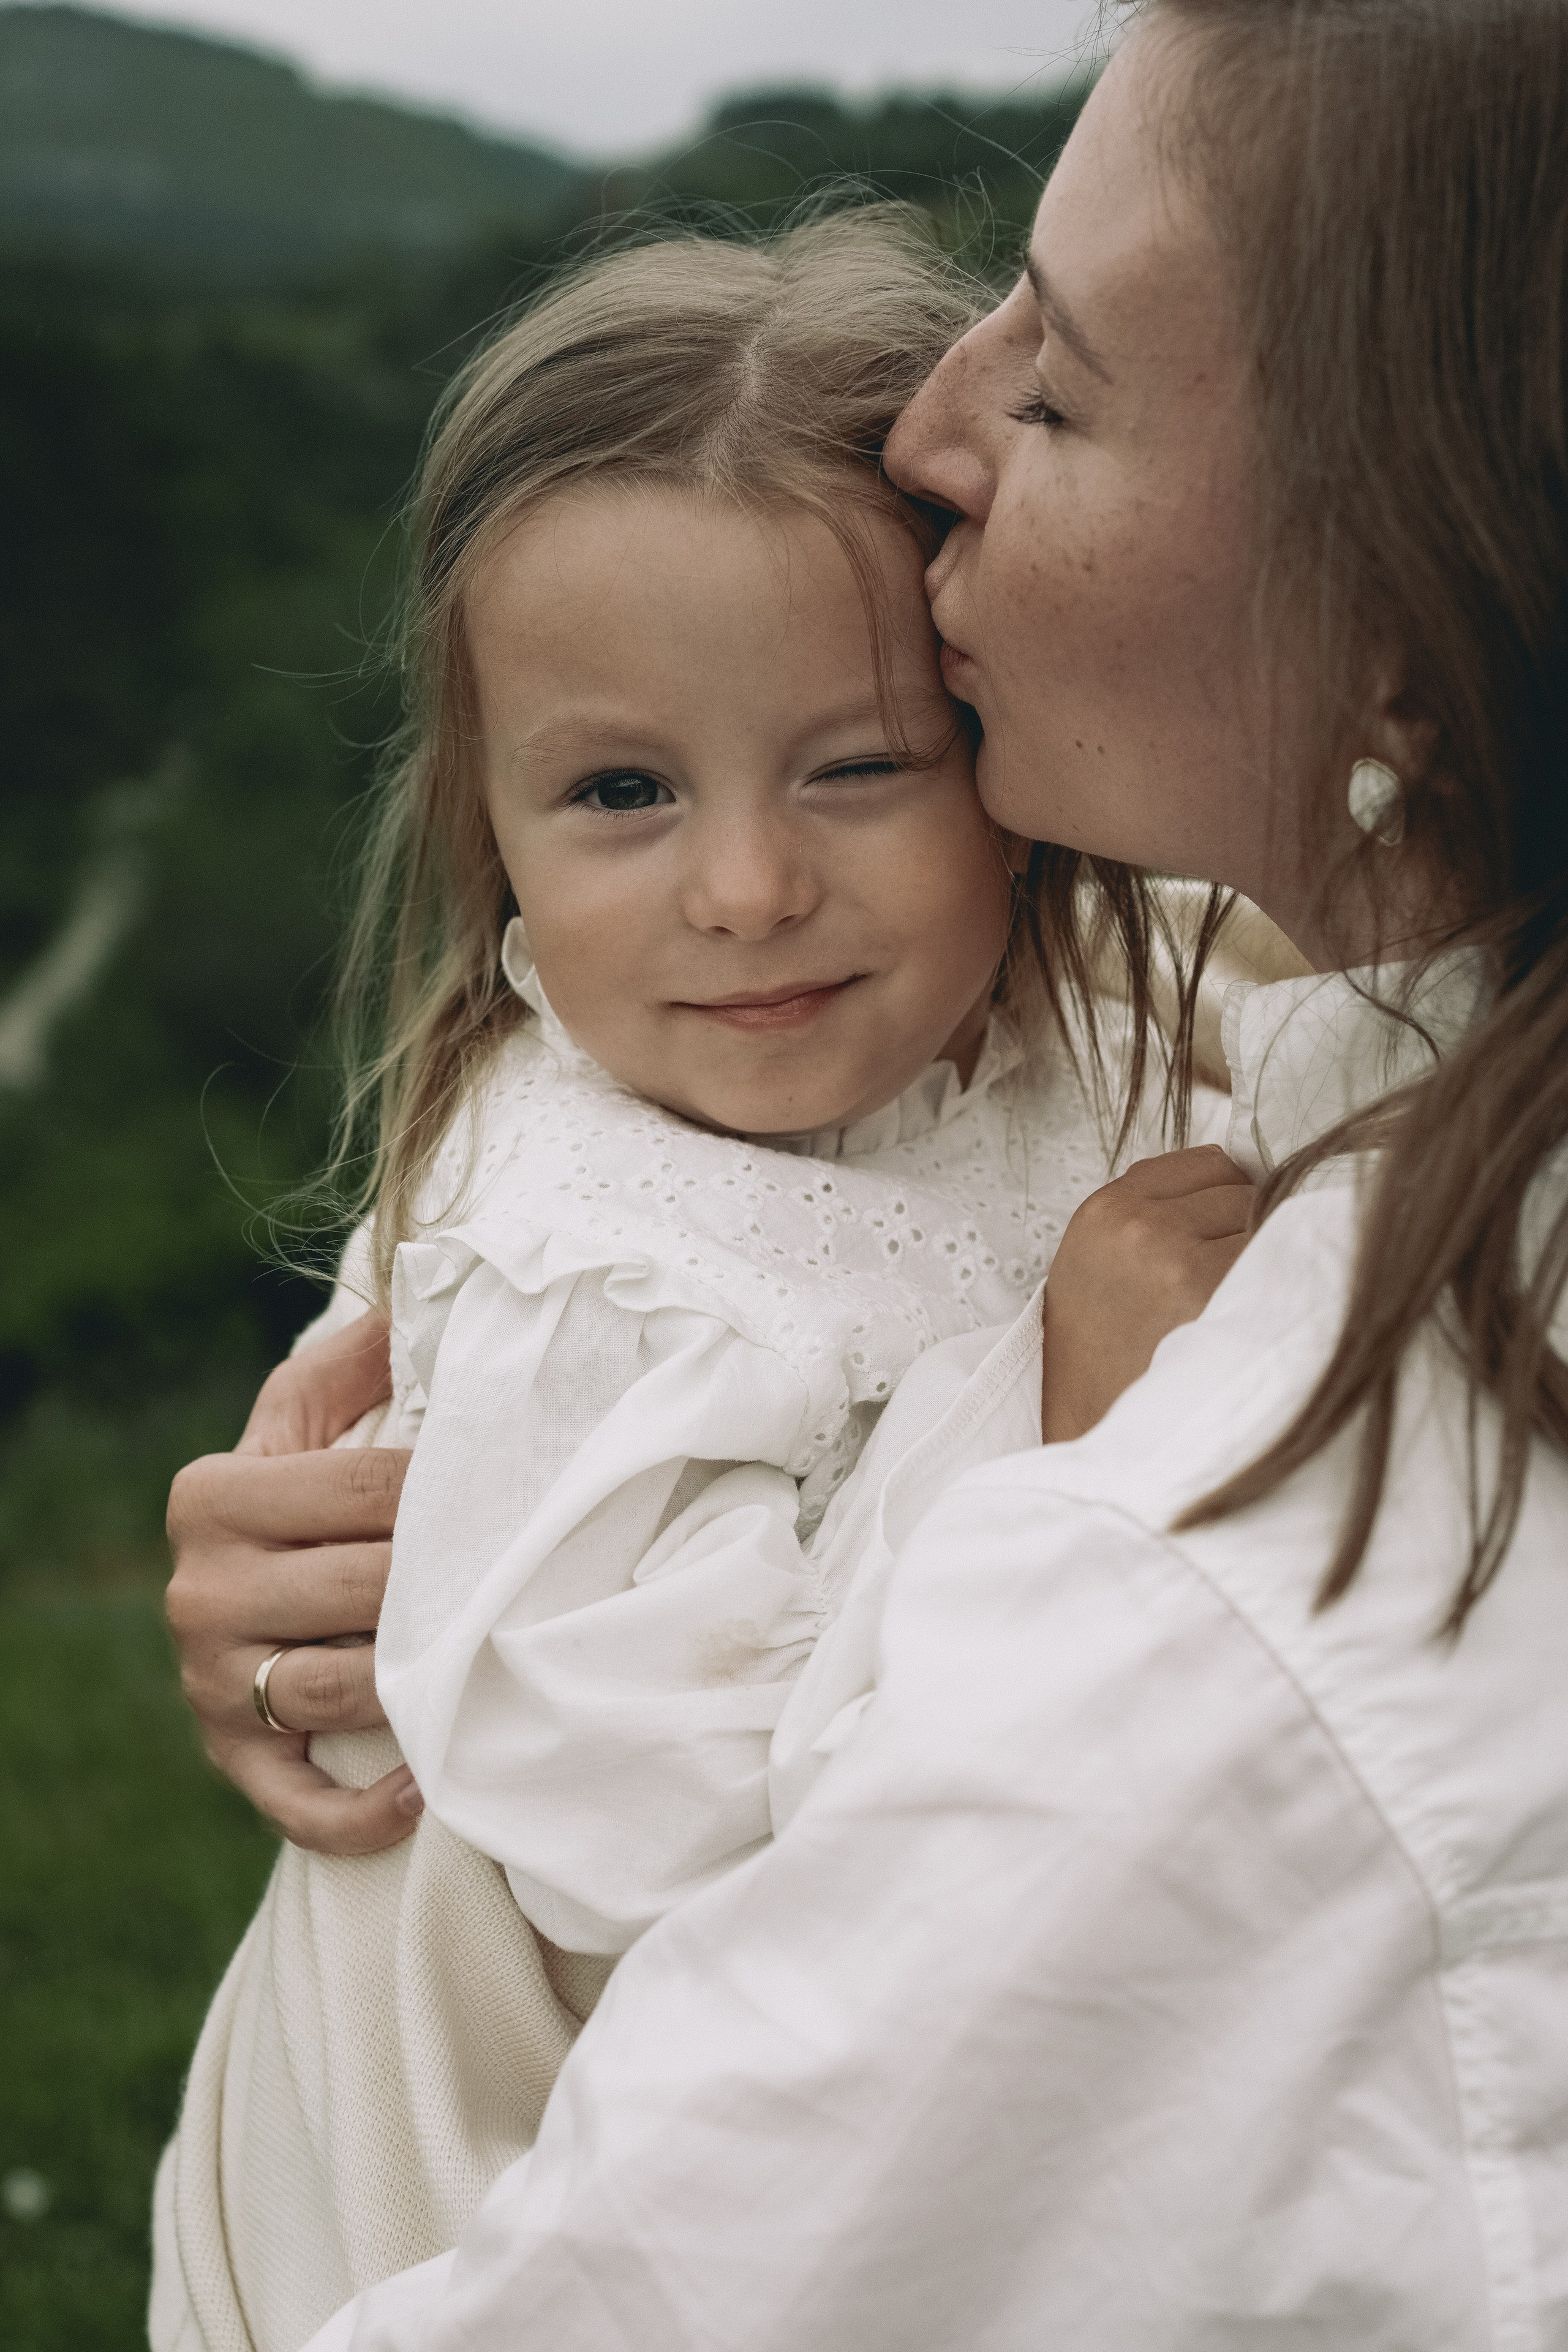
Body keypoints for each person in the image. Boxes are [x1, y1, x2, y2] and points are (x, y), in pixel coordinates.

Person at [165, 0, 1568, 2341]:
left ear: (1404, 600)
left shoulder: (1259, 1554)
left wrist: (1087, 1457)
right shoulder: (1286, 999)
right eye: (621, 793)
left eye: (1063, 388)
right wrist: (385, 1497)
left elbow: (685, 2234)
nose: (938, 430)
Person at [150, 214, 1251, 2352]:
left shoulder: (1087, 1036)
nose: (747, 890)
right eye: (623, 792)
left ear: (1001, 750)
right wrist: (1051, 1431)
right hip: (483, 2211)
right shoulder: (595, 1266)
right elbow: (673, 1851)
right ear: (488, 826)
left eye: (858, 764)